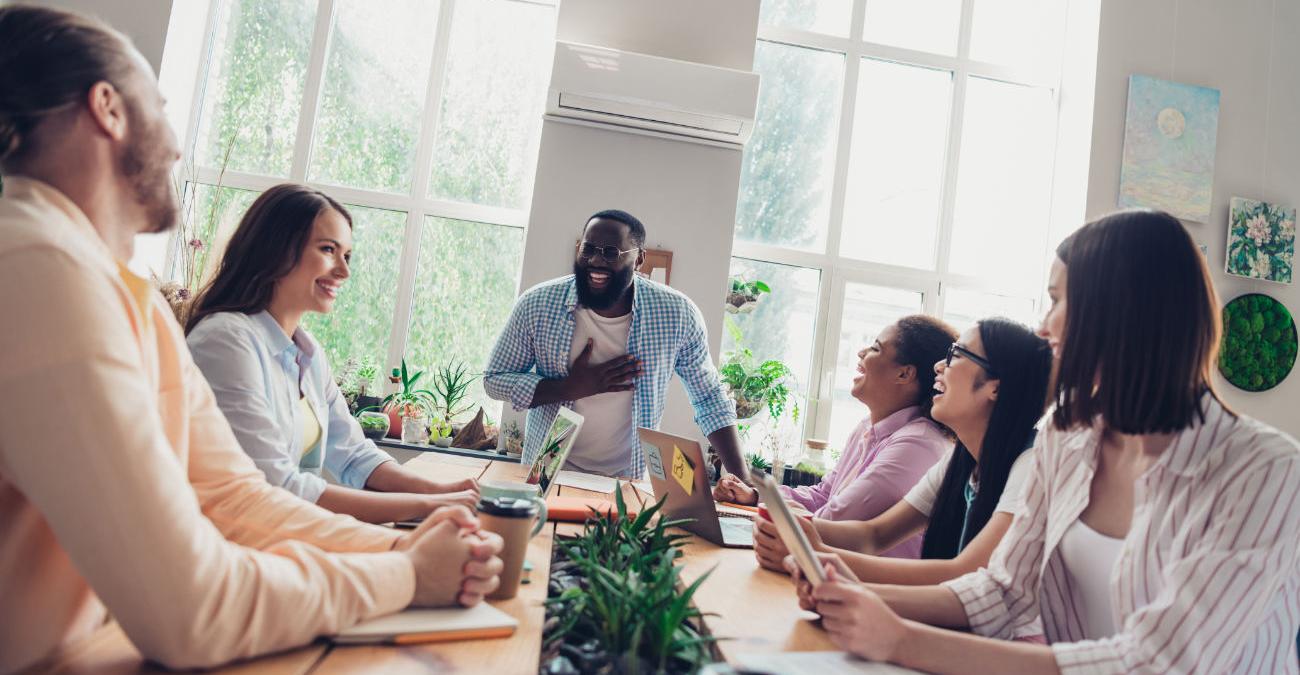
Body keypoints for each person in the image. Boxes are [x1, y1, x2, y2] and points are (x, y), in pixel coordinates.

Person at [0, 6, 501, 672]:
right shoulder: (39, 266)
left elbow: (233, 498)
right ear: (108, 109)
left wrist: (402, 551)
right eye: (163, 105)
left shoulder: (120, 290)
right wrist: (405, 575)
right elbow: (192, 608)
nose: (177, 142)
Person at [793, 210, 1300, 674]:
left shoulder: (1265, 470)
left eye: (1058, 300)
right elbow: (1004, 590)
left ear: (1117, 314)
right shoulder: (1068, 436)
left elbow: (1157, 663)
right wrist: (845, 587)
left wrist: (900, 639)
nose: (1044, 325)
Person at [186, 183, 478, 524]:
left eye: (347, 256)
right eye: (328, 250)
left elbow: (353, 454)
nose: (344, 271)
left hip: (280, 534)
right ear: (276, 249)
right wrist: (429, 506)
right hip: (226, 542)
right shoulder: (225, 341)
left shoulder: (307, 354)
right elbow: (278, 487)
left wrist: (439, 491)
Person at [757, 318, 1051, 593]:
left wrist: (814, 555)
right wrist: (786, 523)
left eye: (956, 355)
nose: (939, 366)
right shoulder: (960, 460)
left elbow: (961, 575)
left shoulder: (1030, 466)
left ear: (995, 388)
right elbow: (872, 535)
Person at [484, 209, 747, 479]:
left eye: (611, 252)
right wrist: (567, 387)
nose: (596, 260)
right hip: (548, 470)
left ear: (639, 259)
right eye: (588, 249)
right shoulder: (538, 304)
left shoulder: (677, 314)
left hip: (627, 478)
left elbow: (709, 399)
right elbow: (494, 380)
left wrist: (742, 479)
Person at [714, 315, 956, 559]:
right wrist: (754, 496)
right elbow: (823, 496)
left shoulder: (918, 444)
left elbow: (833, 518)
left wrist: (773, 510)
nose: (861, 352)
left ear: (904, 374)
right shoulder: (868, 427)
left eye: (875, 348)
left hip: (863, 587)